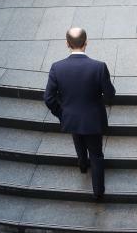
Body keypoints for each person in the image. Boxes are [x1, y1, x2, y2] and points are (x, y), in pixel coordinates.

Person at [43, 27, 115, 200]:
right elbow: (110, 94)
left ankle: (82, 165)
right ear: (86, 43)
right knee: (96, 154)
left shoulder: (57, 68)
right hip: (93, 119)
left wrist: (62, 113)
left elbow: (49, 98)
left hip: (71, 118)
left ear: (67, 44)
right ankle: (98, 192)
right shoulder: (99, 67)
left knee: (78, 139)